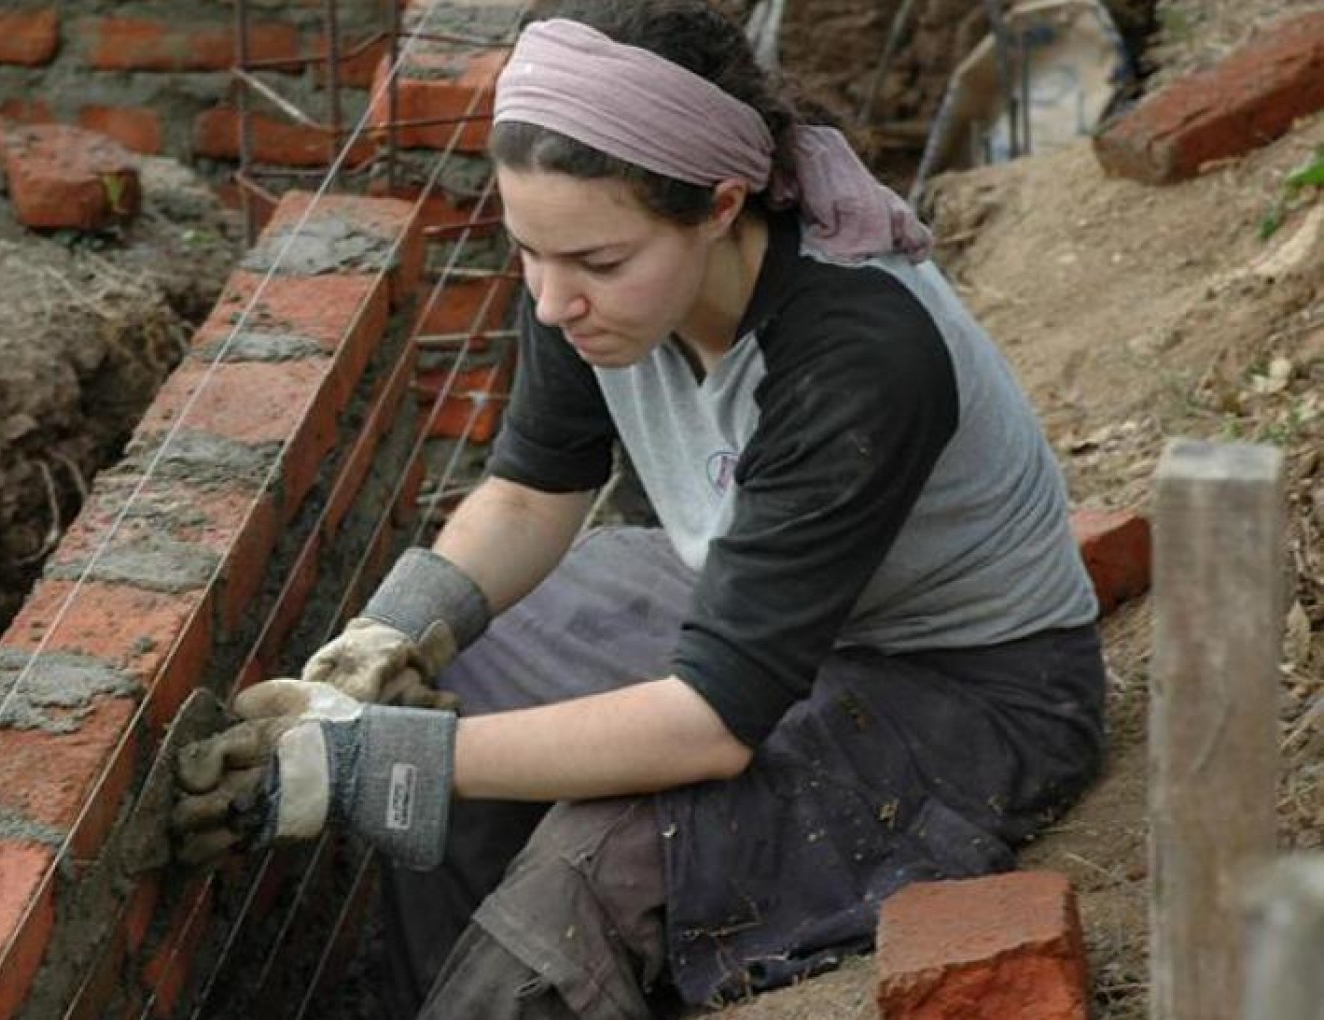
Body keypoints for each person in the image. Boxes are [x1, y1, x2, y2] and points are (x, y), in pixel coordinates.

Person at [170, 2, 1106, 1017]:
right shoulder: (586, 271)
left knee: (581, 875)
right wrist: (389, 636)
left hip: (963, 690)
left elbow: (710, 724)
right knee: (457, 678)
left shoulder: (857, 356)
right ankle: (427, 996)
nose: (551, 300)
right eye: (529, 251)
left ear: (721, 205)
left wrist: (362, 766)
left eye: (597, 263)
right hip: (768, 610)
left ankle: (506, 988)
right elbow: (531, 494)